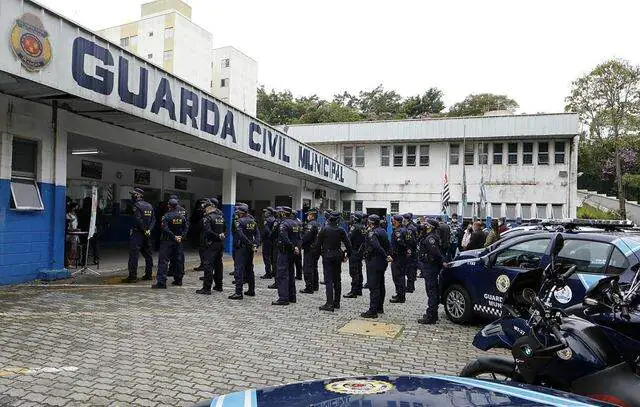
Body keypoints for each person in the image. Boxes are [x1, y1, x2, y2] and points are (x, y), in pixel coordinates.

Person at [315, 210, 352, 311]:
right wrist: (347, 255)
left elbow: (317, 245)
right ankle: (337, 303)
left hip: (327, 256)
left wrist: (319, 255)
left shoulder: (324, 230)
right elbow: (349, 245)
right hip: (337, 256)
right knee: (337, 280)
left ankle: (329, 304)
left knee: (328, 281)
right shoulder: (341, 230)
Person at [360, 214, 390, 319]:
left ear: (371, 222)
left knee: (374, 286)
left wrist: (386, 256)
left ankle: (373, 310)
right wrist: (387, 256)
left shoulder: (372, 232)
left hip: (374, 262)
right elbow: (387, 245)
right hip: (381, 263)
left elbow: (377, 247)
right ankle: (379, 307)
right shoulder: (383, 231)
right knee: (381, 285)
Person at [153, 197, 188, 288]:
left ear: (169, 206)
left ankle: (161, 282)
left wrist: (173, 236)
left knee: (163, 261)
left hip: (167, 241)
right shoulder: (182, 216)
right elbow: (186, 227)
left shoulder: (166, 216)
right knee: (178, 260)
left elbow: (165, 228)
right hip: (178, 241)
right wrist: (181, 236)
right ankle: (178, 280)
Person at [123, 188, 155, 283]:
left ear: (139, 195)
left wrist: (144, 229)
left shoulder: (136, 206)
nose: (132, 196)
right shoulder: (150, 206)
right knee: (148, 255)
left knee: (134, 255)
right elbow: (153, 220)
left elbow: (138, 219)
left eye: (134, 194)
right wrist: (148, 230)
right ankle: (148, 274)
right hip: (147, 234)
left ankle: (132, 276)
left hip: (138, 233)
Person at [196, 199, 227, 295]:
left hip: (210, 244)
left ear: (208, 209)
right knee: (218, 265)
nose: (204, 211)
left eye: (205, 209)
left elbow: (207, 231)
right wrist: (221, 235)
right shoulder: (221, 218)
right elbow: (225, 229)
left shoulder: (208, 218)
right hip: (220, 244)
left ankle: (206, 288)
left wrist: (216, 236)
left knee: (208, 265)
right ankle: (219, 286)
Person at [229, 204, 259, 299]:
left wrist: (249, 243)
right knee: (249, 269)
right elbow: (258, 235)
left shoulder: (239, 221)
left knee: (239, 270)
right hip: (250, 249)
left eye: (238, 212)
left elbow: (240, 234)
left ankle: (238, 293)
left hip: (241, 248)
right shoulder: (253, 222)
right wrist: (255, 244)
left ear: (241, 213)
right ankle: (251, 290)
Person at [417, 219, 444, 324]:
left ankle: (431, 316)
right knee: (432, 290)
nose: (424, 225)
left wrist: (441, 261)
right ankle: (433, 314)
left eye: (426, 224)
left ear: (430, 227)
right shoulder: (429, 236)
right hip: (430, 266)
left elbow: (435, 253)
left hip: (431, 267)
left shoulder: (431, 238)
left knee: (431, 290)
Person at [273, 207, 300, 305]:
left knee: (282, 275)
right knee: (291, 274)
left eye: (281, 213)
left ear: (284, 214)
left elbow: (284, 238)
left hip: (284, 252)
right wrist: (296, 247)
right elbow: (299, 238)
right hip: (293, 253)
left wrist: (293, 247)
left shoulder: (284, 224)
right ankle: (292, 296)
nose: (280, 214)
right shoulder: (296, 223)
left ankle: (283, 298)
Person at [389, 214, 411, 304]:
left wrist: (393, 255)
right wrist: (408, 251)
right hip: (403, 257)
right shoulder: (405, 229)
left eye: (393, 220)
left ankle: (400, 297)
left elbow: (400, 245)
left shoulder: (398, 232)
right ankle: (399, 294)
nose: (392, 222)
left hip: (398, 257)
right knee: (400, 276)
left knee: (398, 277)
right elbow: (411, 242)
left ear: (396, 221)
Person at [344, 212, 365, 298]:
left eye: (353, 218)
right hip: (360, 252)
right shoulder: (363, 227)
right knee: (359, 271)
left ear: (355, 219)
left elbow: (349, 240)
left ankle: (354, 291)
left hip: (354, 252)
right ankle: (359, 290)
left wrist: (346, 251)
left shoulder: (354, 227)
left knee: (354, 272)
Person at [300, 208, 320, 294]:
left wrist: (300, 244)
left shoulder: (311, 224)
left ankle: (309, 287)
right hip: (316, 249)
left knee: (308, 268)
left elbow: (306, 237)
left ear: (312, 215)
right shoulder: (318, 224)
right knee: (314, 267)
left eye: (308, 215)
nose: (307, 217)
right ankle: (315, 285)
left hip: (310, 249)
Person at [268, 206, 283, 290]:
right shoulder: (286, 221)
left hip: (276, 245)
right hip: (282, 246)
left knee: (275, 263)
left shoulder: (277, 222)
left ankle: (277, 282)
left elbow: (273, 233)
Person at [402, 213, 418, 293]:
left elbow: (410, 241)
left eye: (403, 219)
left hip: (410, 251)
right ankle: (411, 286)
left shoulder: (409, 229)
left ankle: (410, 287)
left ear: (406, 219)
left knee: (410, 269)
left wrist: (408, 249)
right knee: (410, 269)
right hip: (412, 251)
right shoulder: (410, 227)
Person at [260, 207, 276, 279]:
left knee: (266, 257)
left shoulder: (267, 220)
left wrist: (262, 239)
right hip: (273, 241)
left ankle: (268, 273)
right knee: (272, 257)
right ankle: (274, 272)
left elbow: (266, 231)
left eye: (266, 212)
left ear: (269, 213)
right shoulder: (275, 219)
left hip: (267, 241)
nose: (264, 213)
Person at [65, 202, 80, 268]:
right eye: (75, 207)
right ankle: (69, 262)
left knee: (74, 248)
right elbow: (69, 225)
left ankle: (72, 262)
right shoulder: (68, 215)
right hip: (70, 233)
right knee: (70, 248)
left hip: (75, 232)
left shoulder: (75, 215)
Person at [293, 211, 304, 280]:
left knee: (292, 260)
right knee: (298, 260)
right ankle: (299, 275)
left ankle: (293, 275)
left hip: (294, 243)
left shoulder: (293, 222)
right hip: (299, 242)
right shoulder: (299, 222)